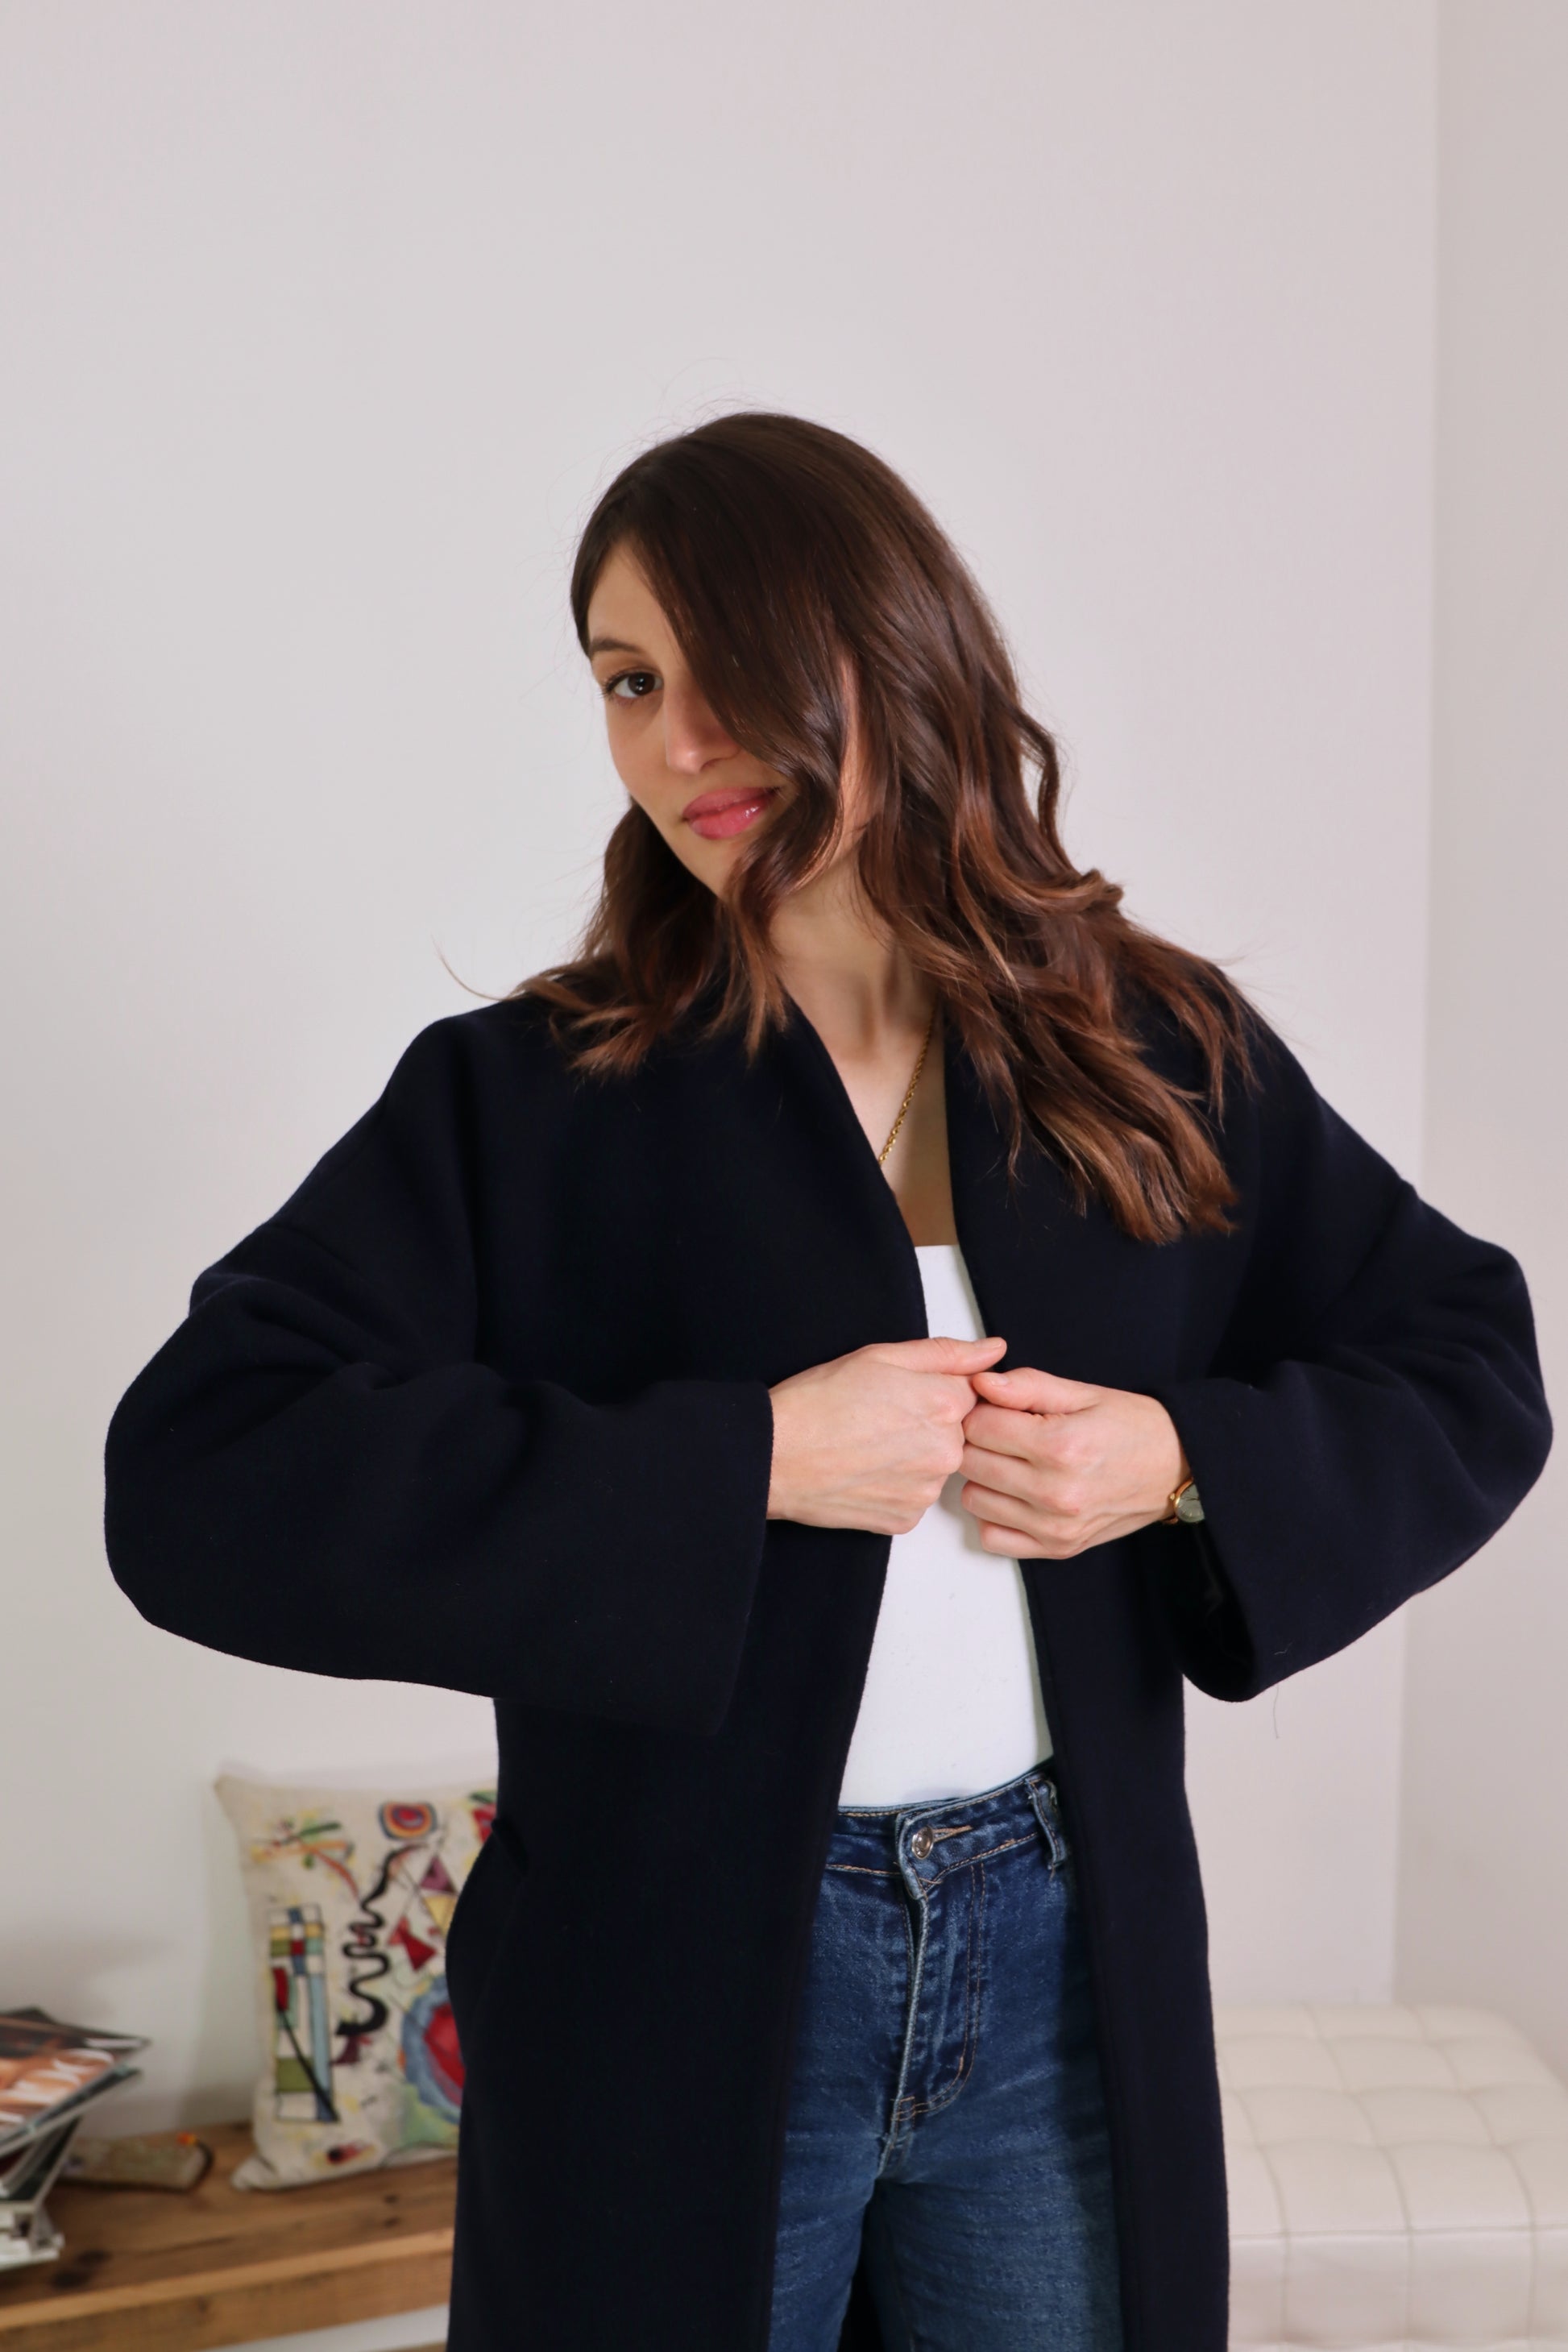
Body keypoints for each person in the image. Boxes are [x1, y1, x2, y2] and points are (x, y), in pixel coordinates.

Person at [104, 413, 1551, 2352]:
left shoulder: (1149, 1052)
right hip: (668, 1982)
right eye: (629, 680)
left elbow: (1466, 1355)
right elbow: (199, 1469)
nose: (676, 738)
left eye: (729, 663)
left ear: (888, 650)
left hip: (1062, 1974)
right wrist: (746, 1459)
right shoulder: (526, 1098)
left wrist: (1181, 1458)